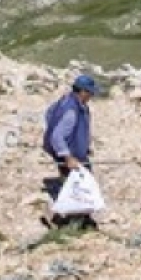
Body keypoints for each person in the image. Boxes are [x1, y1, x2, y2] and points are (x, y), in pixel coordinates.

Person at [41, 73, 97, 228]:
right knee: (79, 187)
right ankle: (72, 222)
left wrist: (83, 146)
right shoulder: (72, 111)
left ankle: (75, 218)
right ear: (83, 92)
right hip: (70, 158)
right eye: (90, 92)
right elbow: (57, 137)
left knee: (76, 185)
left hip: (75, 153)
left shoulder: (66, 101)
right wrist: (68, 157)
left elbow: (49, 114)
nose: (92, 96)